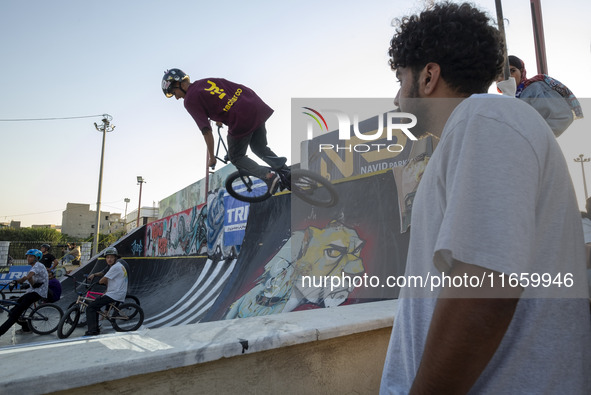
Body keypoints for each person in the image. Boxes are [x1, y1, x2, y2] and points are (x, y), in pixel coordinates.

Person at [380, 2, 591, 394]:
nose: (395, 98)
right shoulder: (480, 128)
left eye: (400, 78)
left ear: (428, 76)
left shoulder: (486, 120)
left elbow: (483, 290)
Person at [162, 69, 287, 192]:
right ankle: (286, 173)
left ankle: (268, 176)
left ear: (181, 83)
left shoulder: (189, 100)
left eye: (174, 92)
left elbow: (206, 130)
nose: (177, 97)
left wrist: (212, 157)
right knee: (259, 147)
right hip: (253, 103)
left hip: (240, 117)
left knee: (236, 157)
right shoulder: (204, 82)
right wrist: (220, 117)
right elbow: (223, 95)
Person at [499, 55, 583, 137]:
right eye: (503, 74)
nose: (508, 77)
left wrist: (534, 138)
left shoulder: (534, 88)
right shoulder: (503, 100)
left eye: (512, 71)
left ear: (521, 71)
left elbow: (562, 117)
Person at [0, 249, 48, 336]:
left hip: (37, 293)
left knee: (15, 314)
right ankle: (26, 328)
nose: (28, 258)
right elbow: (30, 279)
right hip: (32, 292)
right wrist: (21, 283)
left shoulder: (38, 265)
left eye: (30, 257)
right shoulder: (34, 267)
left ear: (36, 258)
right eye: (27, 257)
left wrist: (19, 281)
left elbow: (28, 277)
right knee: (13, 311)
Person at [84, 247, 128, 336]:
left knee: (90, 307)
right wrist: (95, 275)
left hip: (115, 294)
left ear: (116, 257)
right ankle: (96, 327)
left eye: (111, 257)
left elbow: (102, 280)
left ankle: (93, 330)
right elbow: (103, 274)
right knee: (95, 305)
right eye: (107, 257)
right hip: (116, 291)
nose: (109, 259)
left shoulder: (115, 267)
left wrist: (98, 282)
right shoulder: (116, 265)